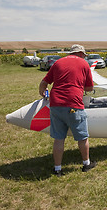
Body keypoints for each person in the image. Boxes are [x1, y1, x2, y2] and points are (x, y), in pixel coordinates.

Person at [38, 44, 96, 176]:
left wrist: (42, 93)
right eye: (84, 56)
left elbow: (43, 83)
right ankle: (86, 164)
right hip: (73, 104)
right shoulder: (84, 64)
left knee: (59, 138)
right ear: (81, 54)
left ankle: (57, 168)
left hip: (55, 104)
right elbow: (89, 88)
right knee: (82, 137)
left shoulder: (58, 63)